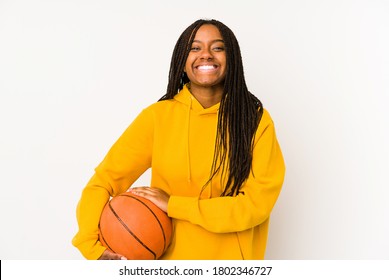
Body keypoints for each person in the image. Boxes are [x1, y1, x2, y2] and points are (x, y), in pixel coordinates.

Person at [72, 18, 285, 260]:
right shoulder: (157, 117)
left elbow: (255, 206)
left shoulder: (254, 120)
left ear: (232, 60)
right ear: (182, 62)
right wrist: (92, 247)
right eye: (195, 48)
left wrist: (174, 205)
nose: (206, 55)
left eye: (217, 47)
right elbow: (103, 181)